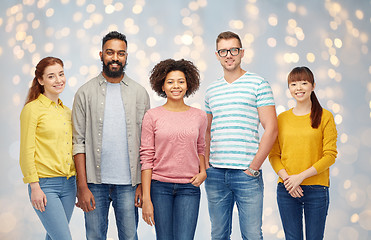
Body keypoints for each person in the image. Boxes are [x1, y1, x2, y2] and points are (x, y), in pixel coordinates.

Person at [72, 31, 150, 240]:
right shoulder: (85, 93)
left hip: (129, 184)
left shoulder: (139, 93)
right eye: (110, 52)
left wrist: (143, 184)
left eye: (120, 53)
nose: (115, 58)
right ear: (101, 55)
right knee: (95, 237)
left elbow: (146, 145)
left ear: (126, 56)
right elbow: (78, 142)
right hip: (94, 184)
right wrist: (82, 186)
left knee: (129, 237)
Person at [204, 31, 278, 239]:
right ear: (217, 55)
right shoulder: (211, 91)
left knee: (252, 235)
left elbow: (271, 128)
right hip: (216, 174)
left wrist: (254, 168)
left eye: (234, 50)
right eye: (223, 51)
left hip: (246, 174)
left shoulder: (258, 84)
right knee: (218, 234)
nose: (229, 55)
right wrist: (207, 165)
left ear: (242, 52)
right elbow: (207, 131)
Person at [140, 59, 208, 240]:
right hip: (159, 186)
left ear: (188, 85)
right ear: (162, 86)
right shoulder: (152, 116)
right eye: (170, 82)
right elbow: (146, 157)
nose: (175, 86)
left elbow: (200, 147)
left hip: (189, 187)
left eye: (181, 81)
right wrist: (146, 198)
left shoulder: (199, 116)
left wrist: (203, 172)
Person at [269, 66, 338, 240]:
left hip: (316, 189)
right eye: (293, 84)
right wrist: (288, 180)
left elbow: (330, 155)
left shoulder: (325, 116)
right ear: (289, 88)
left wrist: (300, 177)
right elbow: (274, 155)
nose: (298, 88)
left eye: (304, 83)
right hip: (286, 189)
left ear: (313, 86)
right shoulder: (282, 118)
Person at [19, 57, 76, 240]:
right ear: (41, 80)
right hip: (45, 185)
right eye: (51, 76)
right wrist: (34, 186)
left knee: (53, 237)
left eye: (61, 74)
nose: (58, 80)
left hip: (69, 185)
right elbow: (26, 151)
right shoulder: (32, 110)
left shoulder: (67, 112)